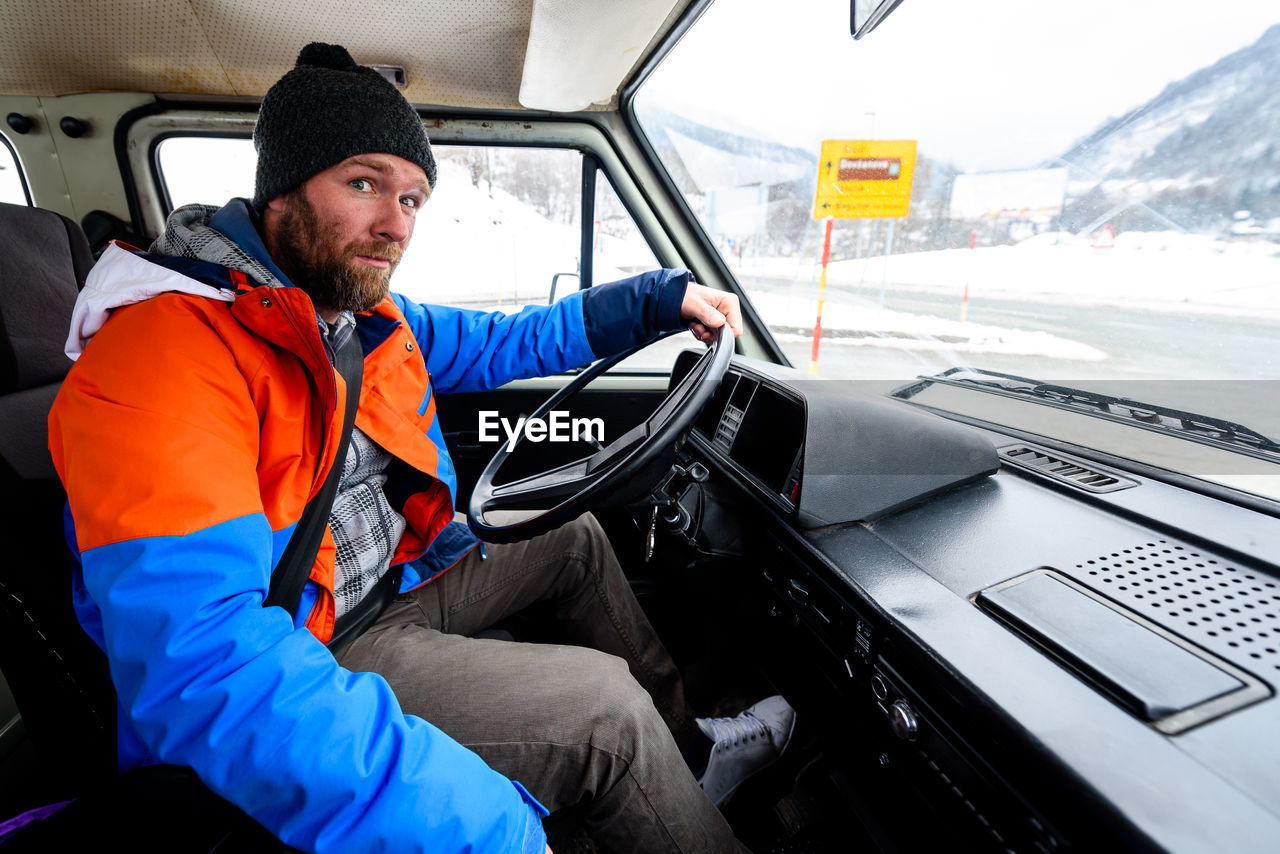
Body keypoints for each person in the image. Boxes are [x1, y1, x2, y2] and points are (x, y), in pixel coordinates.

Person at [47, 43, 794, 854]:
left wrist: (659, 301)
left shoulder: (351, 316)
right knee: (602, 710)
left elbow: (511, 342)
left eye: (412, 198)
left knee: (570, 536)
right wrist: (489, 825)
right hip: (313, 653)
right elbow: (204, 669)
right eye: (363, 184)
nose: (394, 223)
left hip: (388, 584)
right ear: (281, 191)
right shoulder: (161, 358)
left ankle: (686, 759)